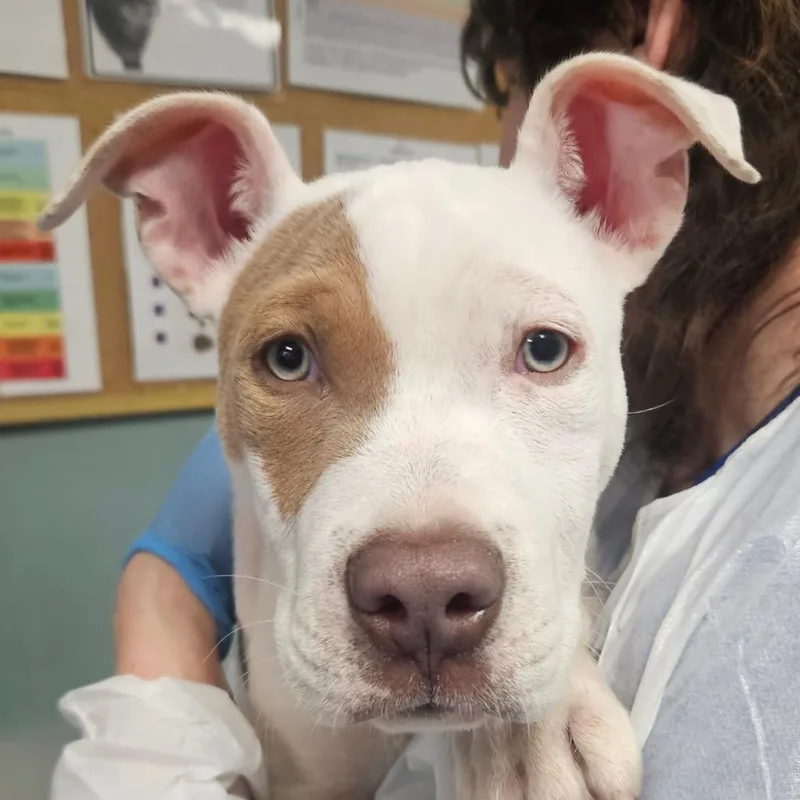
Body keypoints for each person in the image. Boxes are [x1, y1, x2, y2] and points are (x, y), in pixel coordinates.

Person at [64, 0, 800, 797]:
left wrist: (156, 631)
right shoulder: (679, 440)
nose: (420, 578)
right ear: (200, 232)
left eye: (541, 349)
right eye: (288, 356)